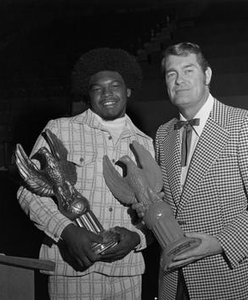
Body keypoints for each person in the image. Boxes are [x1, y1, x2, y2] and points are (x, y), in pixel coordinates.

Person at [17, 47, 154, 300]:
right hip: (72, 270)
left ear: (128, 91)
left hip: (128, 274)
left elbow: (155, 207)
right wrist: (67, 231)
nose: (107, 93)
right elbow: (29, 193)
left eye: (115, 85)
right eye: (97, 88)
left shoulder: (146, 144)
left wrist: (137, 238)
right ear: (88, 95)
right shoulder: (60, 129)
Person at [154, 42, 248, 299]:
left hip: (227, 278)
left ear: (207, 75)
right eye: (171, 73)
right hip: (172, 279)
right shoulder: (163, 133)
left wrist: (220, 243)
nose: (179, 80)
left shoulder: (245, 125)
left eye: (188, 70)